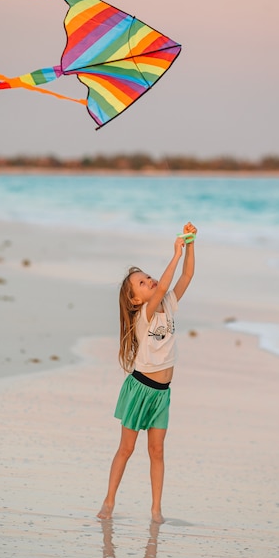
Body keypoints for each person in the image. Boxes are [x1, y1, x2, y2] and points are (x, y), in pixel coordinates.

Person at [97, 222, 197, 523]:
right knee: (126, 449)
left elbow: (187, 275)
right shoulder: (145, 314)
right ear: (135, 300)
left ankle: (156, 511)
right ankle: (109, 503)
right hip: (140, 389)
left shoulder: (167, 303)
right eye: (142, 283)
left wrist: (190, 244)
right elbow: (166, 283)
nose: (150, 281)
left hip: (161, 395)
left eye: (148, 277)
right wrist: (175, 254)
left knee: (157, 451)